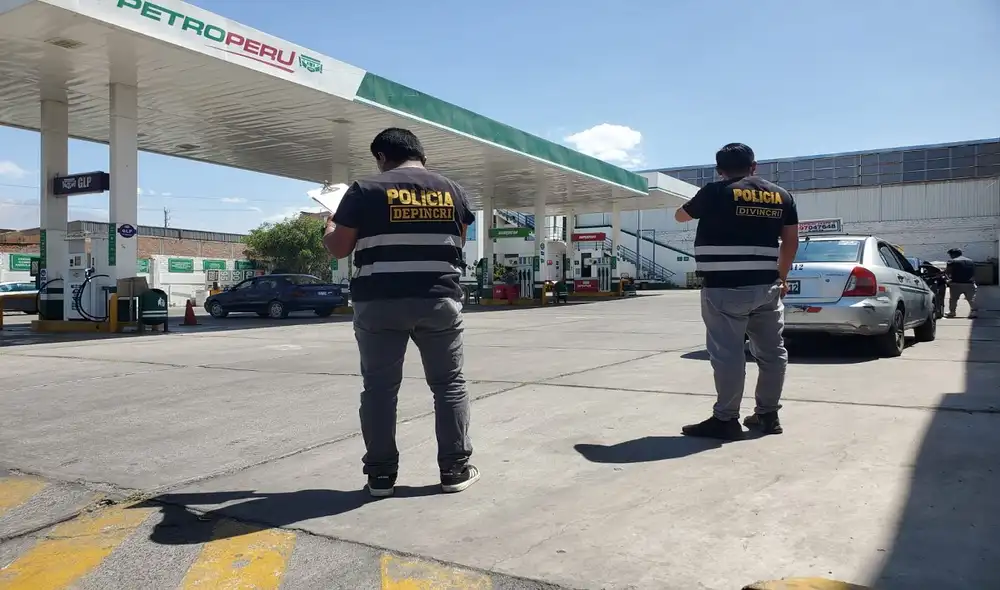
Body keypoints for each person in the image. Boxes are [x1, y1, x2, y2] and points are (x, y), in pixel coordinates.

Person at [323, 127, 480, 497]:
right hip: (438, 300)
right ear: (420, 154)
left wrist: (330, 220)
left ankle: (380, 476)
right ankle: (454, 470)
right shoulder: (453, 191)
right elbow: (457, 240)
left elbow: (338, 248)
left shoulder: (364, 190)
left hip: (380, 302)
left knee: (379, 390)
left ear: (381, 157)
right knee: (449, 386)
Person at [673, 143, 799, 440]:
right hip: (767, 286)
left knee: (728, 354)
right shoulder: (782, 195)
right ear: (754, 166)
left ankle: (726, 419)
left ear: (720, 170)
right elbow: (791, 242)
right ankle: (768, 415)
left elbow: (680, 216)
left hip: (723, 288)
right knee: (772, 352)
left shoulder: (715, 191)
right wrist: (782, 277)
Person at [944, 248, 978, 319]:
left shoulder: (952, 261)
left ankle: (952, 312)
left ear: (953, 254)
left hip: (956, 283)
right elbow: (974, 272)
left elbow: (947, 272)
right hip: (969, 283)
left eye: (950, 254)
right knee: (971, 299)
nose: (950, 256)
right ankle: (974, 312)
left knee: (953, 299)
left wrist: (948, 280)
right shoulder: (970, 261)